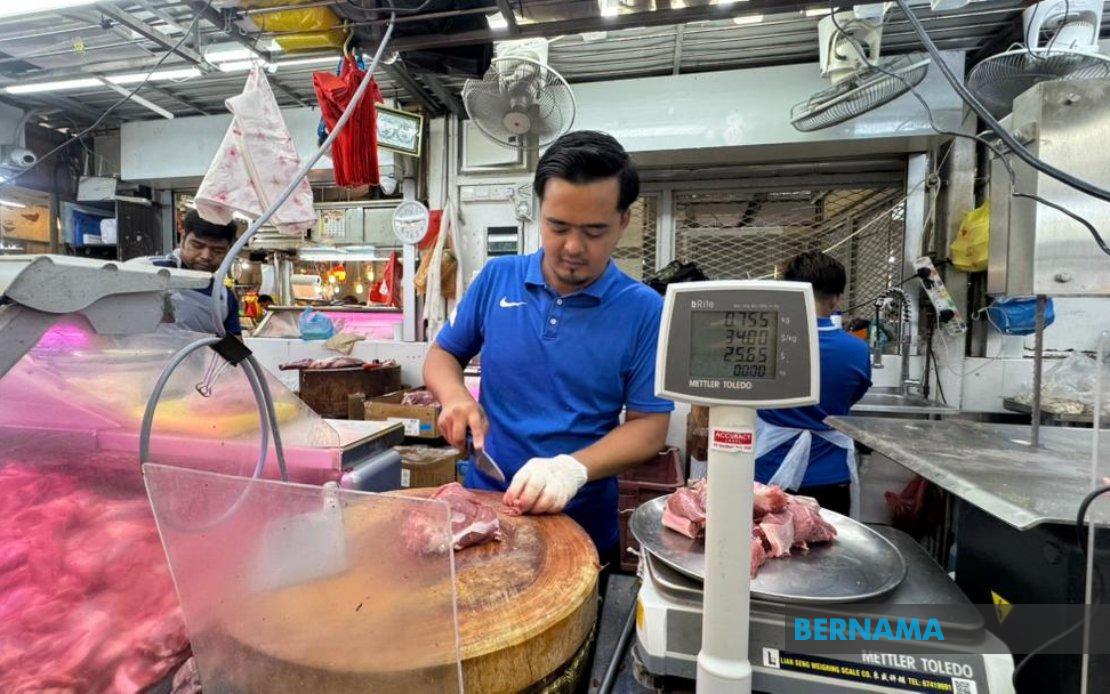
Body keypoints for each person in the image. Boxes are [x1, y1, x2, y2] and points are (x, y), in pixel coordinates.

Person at [423, 131, 674, 566]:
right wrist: (456, 397)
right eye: (558, 227)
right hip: (486, 507)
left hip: (582, 522)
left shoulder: (644, 310)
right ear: (540, 212)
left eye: (595, 231)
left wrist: (570, 470)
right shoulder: (497, 278)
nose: (573, 248)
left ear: (623, 222)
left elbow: (649, 428)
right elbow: (443, 354)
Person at [755, 251, 871, 516]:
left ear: (788, 293)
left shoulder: (765, 344)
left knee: (768, 546)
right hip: (830, 474)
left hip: (769, 468)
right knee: (823, 548)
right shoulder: (856, 350)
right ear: (836, 298)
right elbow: (850, 397)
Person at [152, 209, 241, 336]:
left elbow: (234, 350)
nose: (206, 256)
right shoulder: (150, 271)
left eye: (218, 250)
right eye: (197, 245)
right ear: (183, 236)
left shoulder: (224, 297)